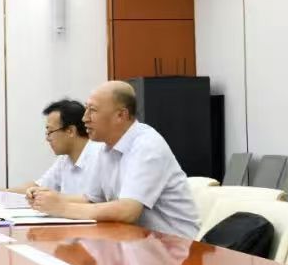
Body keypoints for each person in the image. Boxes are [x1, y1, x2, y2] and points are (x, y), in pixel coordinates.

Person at [31, 81, 200, 239]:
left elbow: (128, 211)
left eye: (92, 110)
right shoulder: (104, 148)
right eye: (86, 109)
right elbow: (92, 199)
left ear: (120, 115)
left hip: (176, 248)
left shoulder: (147, 146)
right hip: (136, 242)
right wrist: (48, 198)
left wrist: (62, 208)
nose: (84, 118)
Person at [4, 100, 102, 197]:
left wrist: (58, 201)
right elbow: (38, 186)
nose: (47, 138)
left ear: (70, 131)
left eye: (50, 132)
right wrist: (1, 192)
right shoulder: (64, 160)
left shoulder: (100, 157)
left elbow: (96, 202)